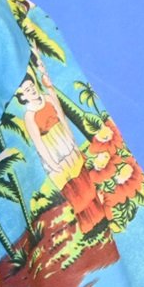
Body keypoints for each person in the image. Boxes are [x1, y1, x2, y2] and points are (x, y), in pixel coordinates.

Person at [16, 51, 108, 236]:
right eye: (27, 90)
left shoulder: (48, 98)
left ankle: (102, 218)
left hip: (65, 141)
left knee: (84, 180)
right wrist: (52, 163)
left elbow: (62, 117)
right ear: (23, 96)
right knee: (74, 191)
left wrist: (72, 140)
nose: (31, 90)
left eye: (31, 86)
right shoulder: (29, 115)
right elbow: (38, 142)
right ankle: (89, 227)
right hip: (53, 150)